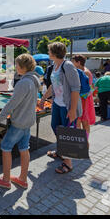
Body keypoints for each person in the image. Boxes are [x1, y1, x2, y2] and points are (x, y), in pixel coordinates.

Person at [0, 54, 40, 189]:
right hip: (28, 120)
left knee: (6, 147)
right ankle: (22, 179)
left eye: (17, 64)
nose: (15, 67)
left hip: (20, 122)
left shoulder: (24, 82)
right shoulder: (34, 79)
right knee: (24, 148)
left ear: (23, 67)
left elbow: (11, 104)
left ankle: (5, 180)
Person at [39, 42, 82, 174]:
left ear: (54, 52)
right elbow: (53, 85)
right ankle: (61, 151)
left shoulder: (67, 66)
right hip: (57, 103)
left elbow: (75, 89)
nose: (48, 52)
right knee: (55, 127)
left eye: (49, 50)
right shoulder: (55, 66)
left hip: (67, 105)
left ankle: (68, 163)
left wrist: (73, 109)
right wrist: (43, 98)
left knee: (68, 132)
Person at [71, 55, 96, 137]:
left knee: (82, 120)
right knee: (83, 119)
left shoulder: (84, 72)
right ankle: (83, 140)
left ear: (78, 62)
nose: (72, 63)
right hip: (85, 98)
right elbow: (92, 87)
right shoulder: (85, 71)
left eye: (73, 62)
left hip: (83, 99)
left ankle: (83, 141)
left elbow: (87, 89)